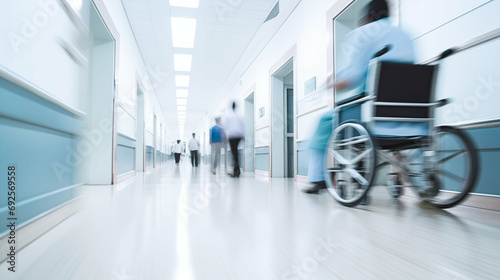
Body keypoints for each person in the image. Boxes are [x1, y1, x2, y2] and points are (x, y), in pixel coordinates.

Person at [303, 0, 415, 195]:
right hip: (408, 116)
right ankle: (399, 174)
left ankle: (317, 179)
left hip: (371, 115)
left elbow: (351, 79)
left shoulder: (362, 34)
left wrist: (330, 84)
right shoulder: (405, 36)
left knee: (324, 121)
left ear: (369, 17)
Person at [222, 102, 245, 177]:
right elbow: (242, 125)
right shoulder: (240, 115)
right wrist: (243, 135)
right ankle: (237, 170)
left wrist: (224, 137)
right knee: (236, 153)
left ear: (231, 107)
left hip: (232, 136)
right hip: (238, 136)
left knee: (234, 153)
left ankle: (236, 171)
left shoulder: (228, 116)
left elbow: (225, 127)